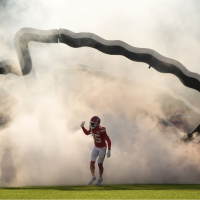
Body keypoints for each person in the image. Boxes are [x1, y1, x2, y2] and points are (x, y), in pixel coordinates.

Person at [80, 116, 111, 186]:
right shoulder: (92, 128)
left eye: (93, 123)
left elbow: (108, 140)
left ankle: (100, 178)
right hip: (96, 147)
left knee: (99, 164)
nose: (91, 125)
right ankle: (93, 176)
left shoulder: (102, 129)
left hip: (102, 148)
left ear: (97, 124)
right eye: (91, 123)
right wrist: (82, 127)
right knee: (91, 162)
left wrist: (109, 149)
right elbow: (87, 133)